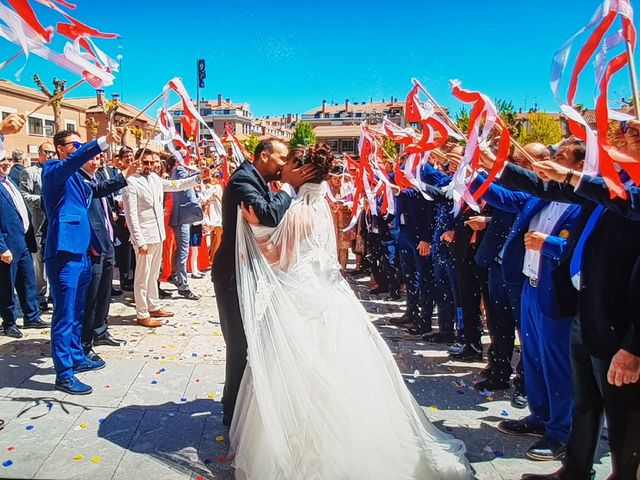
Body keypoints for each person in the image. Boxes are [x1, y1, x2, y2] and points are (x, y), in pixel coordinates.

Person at [230, 144, 472, 479]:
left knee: (302, 370)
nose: (283, 167)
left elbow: (279, 259)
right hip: (325, 293)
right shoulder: (320, 205)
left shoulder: (300, 209)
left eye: (289, 163)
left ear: (301, 171)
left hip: (302, 299)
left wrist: (256, 231)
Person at [212, 138, 316, 428]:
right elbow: (268, 215)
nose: (284, 166)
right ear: (264, 155)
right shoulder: (243, 180)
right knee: (239, 343)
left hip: (251, 272)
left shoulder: (256, 179)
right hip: (232, 275)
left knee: (250, 342)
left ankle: (238, 402)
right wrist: (288, 188)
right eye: (281, 159)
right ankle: (231, 411)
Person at [42, 128, 123, 395]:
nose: (78, 148)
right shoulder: (54, 169)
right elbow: (74, 163)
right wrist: (100, 143)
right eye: (73, 144)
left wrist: (126, 175)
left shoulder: (78, 177)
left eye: (80, 143)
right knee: (64, 314)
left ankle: (77, 356)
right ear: (60, 148)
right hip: (64, 252)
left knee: (78, 311)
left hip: (84, 252)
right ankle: (63, 373)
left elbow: (96, 189)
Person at [122, 150, 209, 327]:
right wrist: (139, 241)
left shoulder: (155, 179)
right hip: (144, 237)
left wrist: (198, 177)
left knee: (153, 274)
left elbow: (176, 185)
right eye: (145, 162)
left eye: (152, 162)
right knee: (142, 277)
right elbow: (131, 216)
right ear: (138, 162)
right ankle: (142, 313)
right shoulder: (130, 182)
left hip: (158, 234)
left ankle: (153, 305)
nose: (149, 166)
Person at [79, 155, 129, 358]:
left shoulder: (95, 178)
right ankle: (85, 341)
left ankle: (100, 329)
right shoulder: (79, 180)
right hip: (94, 246)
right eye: (91, 158)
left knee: (105, 291)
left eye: (99, 158)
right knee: (92, 295)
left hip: (107, 242)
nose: (96, 162)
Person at [0, 152, 49, 338]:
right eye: (1, 161)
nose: (5, 164)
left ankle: (32, 316)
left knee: (27, 282)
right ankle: (9, 322)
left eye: (7, 160)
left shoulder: (9, 182)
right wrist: (1, 247)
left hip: (22, 242)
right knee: (6, 286)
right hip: (7, 245)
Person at [20, 142, 55, 311]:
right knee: (40, 261)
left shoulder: (56, 170)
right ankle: (41, 296)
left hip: (55, 222)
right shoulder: (30, 172)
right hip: (39, 221)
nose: (50, 155)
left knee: (55, 259)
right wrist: (43, 201)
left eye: (52, 152)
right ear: (40, 153)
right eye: (47, 152)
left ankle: (54, 294)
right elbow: (24, 195)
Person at [168, 156, 201, 300]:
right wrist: (199, 175)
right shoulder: (180, 170)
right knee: (183, 251)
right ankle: (183, 285)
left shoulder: (174, 171)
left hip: (180, 215)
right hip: (182, 216)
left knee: (180, 249)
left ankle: (176, 275)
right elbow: (186, 181)